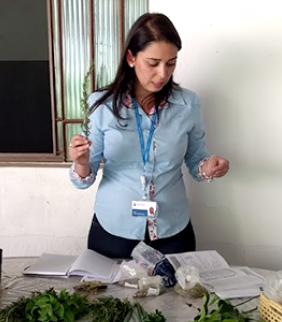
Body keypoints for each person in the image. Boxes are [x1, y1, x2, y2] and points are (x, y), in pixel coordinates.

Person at [68, 13, 229, 259]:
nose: (163, 74)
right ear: (131, 57)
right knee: (107, 297)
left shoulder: (188, 104)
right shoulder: (101, 105)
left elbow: (197, 162)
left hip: (172, 231)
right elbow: (84, 179)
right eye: (153, 63)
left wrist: (209, 167)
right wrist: (81, 162)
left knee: (178, 296)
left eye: (171, 63)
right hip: (113, 227)